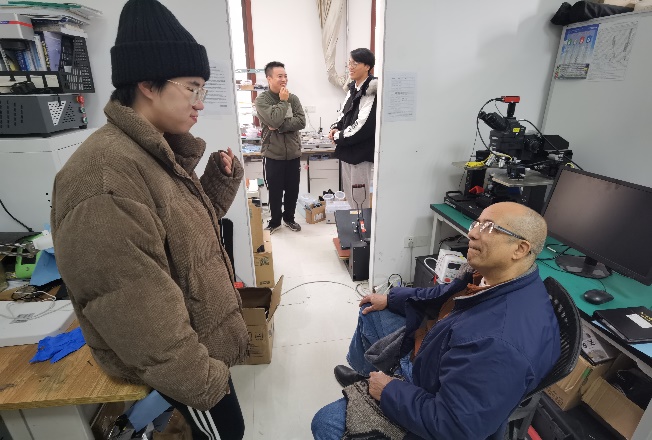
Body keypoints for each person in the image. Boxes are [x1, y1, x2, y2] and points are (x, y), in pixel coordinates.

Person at [50, 1, 248, 439]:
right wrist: (205, 383)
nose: (200, 103)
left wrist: (217, 183)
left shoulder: (149, 152)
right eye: (192, 88)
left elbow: (180, 241)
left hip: (192, 347)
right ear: (147, 84)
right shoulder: (106, 176)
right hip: (183, 362)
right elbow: (138, 311)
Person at [311, 202, 561, 440]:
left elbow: (455, 427)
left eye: (489, 228)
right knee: (371, 311)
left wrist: (389, 391)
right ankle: (366, 381)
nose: (472, 233)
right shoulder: (489, 277)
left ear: (520, 249)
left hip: (433, 388)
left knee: (326, 423)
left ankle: (377, 387)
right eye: (477, 223)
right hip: (439, 348)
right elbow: (441, 296)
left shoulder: (498, 341)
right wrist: (391, 298)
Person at [255, 61, 306, 233]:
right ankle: (275, 221)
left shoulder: (294, 98)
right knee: (275, 191)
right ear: (269, 78)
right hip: (273, 154)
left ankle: (289, 218)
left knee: (292, 190)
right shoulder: (262, 100)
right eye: (279, 76)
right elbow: (273, 120)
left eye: (285, 76)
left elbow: (301, 122)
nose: (284, 79)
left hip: (293, 153)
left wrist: (279, 126)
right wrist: (283, 103)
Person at [329, 48, 378, 210]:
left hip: (360, 153)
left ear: (367, 66)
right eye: (349, 63)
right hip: (347, 150)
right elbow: (343, 113)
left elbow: (363, 125)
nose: (350, 67)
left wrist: (338, 136)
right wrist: (335, 127)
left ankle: (362, 224)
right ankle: (354, 221)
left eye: (355, 63)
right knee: (350, 194)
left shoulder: (371, 89)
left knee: (359, 197)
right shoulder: (353, 88)